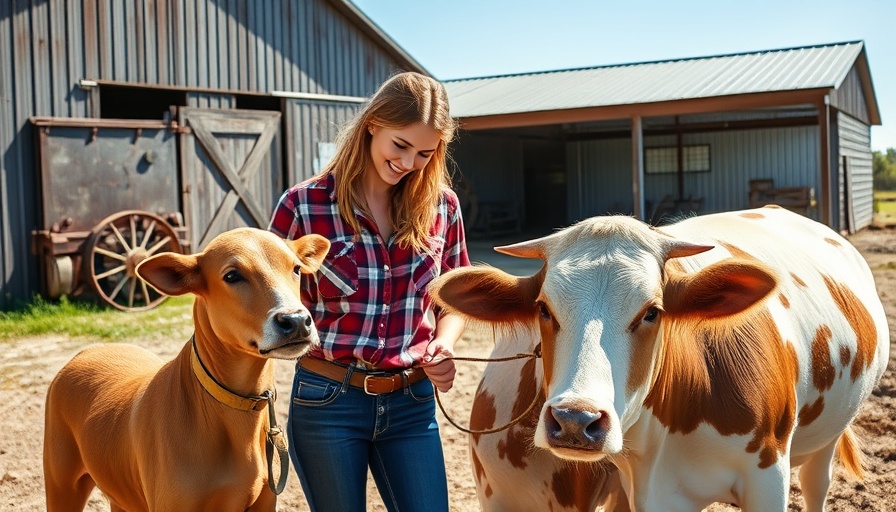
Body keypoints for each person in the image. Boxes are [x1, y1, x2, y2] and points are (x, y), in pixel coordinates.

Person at [268, 71, 469, 512]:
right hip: (327, 401)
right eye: (400, 145)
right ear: (373, 123)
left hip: (413, 402)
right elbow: (268, 299)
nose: (408, 162)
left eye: (424, 153)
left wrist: (444, 344)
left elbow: (453, 297)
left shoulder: (443, 206)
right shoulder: (302, 205)